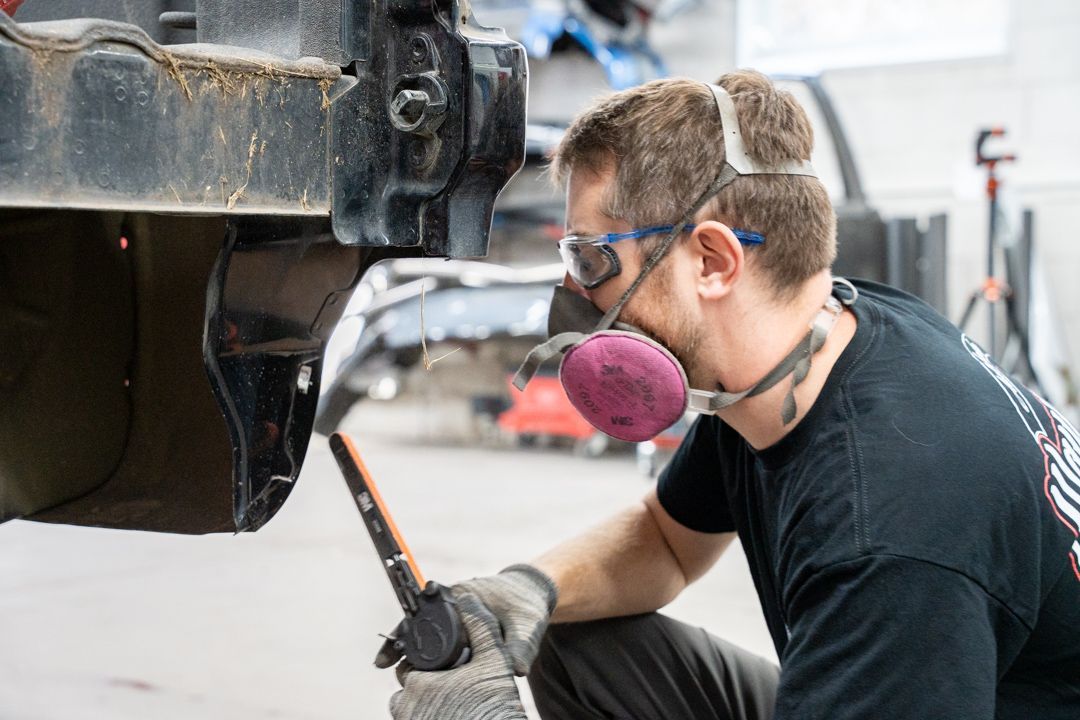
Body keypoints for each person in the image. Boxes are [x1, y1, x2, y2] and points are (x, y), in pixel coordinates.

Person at [376, 70, 1080, 719]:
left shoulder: (890, 531)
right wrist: (529, 589)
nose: (575, 292)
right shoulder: (809, 349)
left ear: (712, 261)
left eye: (592, 259)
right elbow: (668, 541)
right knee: (583, 642)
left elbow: (886, 558)